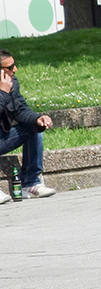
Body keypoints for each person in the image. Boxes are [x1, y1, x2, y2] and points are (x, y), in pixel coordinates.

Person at [0, 49, 56, 201]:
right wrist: (3, 93)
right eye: (10, 68)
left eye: (14, 65)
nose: (15, 70)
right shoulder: (5, 87)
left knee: (35, 127)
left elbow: (20, 109)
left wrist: (38, 118)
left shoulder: (12, 83)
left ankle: (30, 184)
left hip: (2, 138)